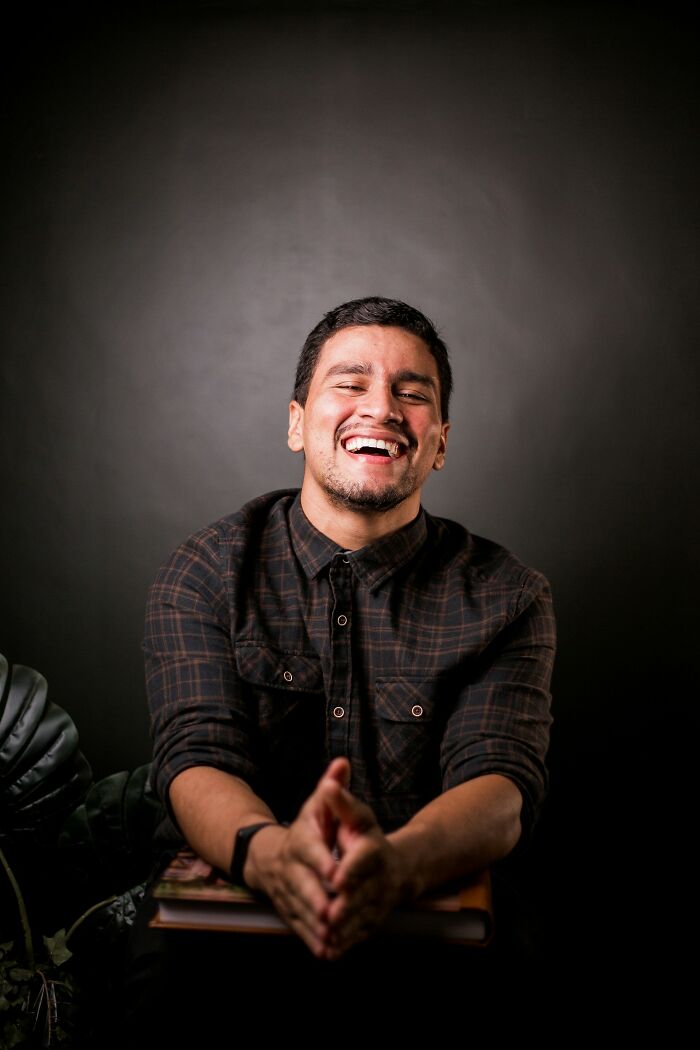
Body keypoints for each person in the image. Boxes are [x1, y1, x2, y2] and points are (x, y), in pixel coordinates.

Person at [127, 296, 555, 1035]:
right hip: (229, 910)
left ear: (440, 441)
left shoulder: (508, 595)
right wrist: (268, 858)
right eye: (349, 384)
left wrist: (396, 863)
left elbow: (501, 783)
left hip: (431, 916)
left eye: (411, 393)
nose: (381, 408)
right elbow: (195, 755)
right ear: (297, 423)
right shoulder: (201, 572)